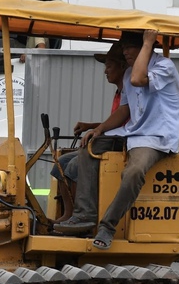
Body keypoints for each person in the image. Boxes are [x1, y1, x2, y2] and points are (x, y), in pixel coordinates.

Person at [54, 30, 179, 250]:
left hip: (154, 138)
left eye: (129, 48)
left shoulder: (164, 67)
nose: (125, 53)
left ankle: (107, 227)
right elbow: (125, 109)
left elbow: (138, 79)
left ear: (145, 47)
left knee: (133, 172)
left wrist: (148, 42)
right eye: (123, 49)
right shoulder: (129, 72)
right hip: (131, 133)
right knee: (89, 146)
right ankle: (84, 215)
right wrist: (100, 129)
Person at [50, 42, 128, 185]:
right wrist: (90, 126)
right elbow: (115, 124)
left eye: (109, 66)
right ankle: (69, 208)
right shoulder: (119, 93)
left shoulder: (131, 93)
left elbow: (124, 128)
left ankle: (82, 207)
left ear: (122, 66)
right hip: (115, 139)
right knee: (60, 164)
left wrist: (96, 130)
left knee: (74, 167)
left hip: (123, 145)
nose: (105, 71)